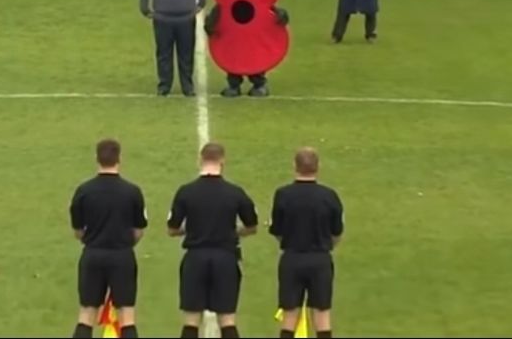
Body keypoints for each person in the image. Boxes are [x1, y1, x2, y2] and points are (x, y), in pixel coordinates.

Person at [167, 143, 258, 339]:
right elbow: (252, 226)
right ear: (223, 161)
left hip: (195, 259)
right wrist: (233, 232)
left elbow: (172, 229)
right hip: (225, 259)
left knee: (191, 319)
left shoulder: (186, 191)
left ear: (200, 160)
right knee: (227, 319)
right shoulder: (235, 192)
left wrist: (191, 229)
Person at [69, 139, 147, 339]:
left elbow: (77, 230)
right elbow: (139, 230)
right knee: (126, 315)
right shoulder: (132, 192)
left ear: (97, 158)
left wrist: (93, 239)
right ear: (119, 158)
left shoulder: (84, 191)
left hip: (93, 255)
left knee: (87, 313)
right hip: (122, 257)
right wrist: (125, 242)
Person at [271, 148, 345, 339]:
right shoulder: (329, 196)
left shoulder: (283, 195)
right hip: (320, 260)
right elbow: (336, 232)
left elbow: (277, 231)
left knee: (290, 315)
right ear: (318, 167)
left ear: (294, 166)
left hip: (292, 259)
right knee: (322, 316)